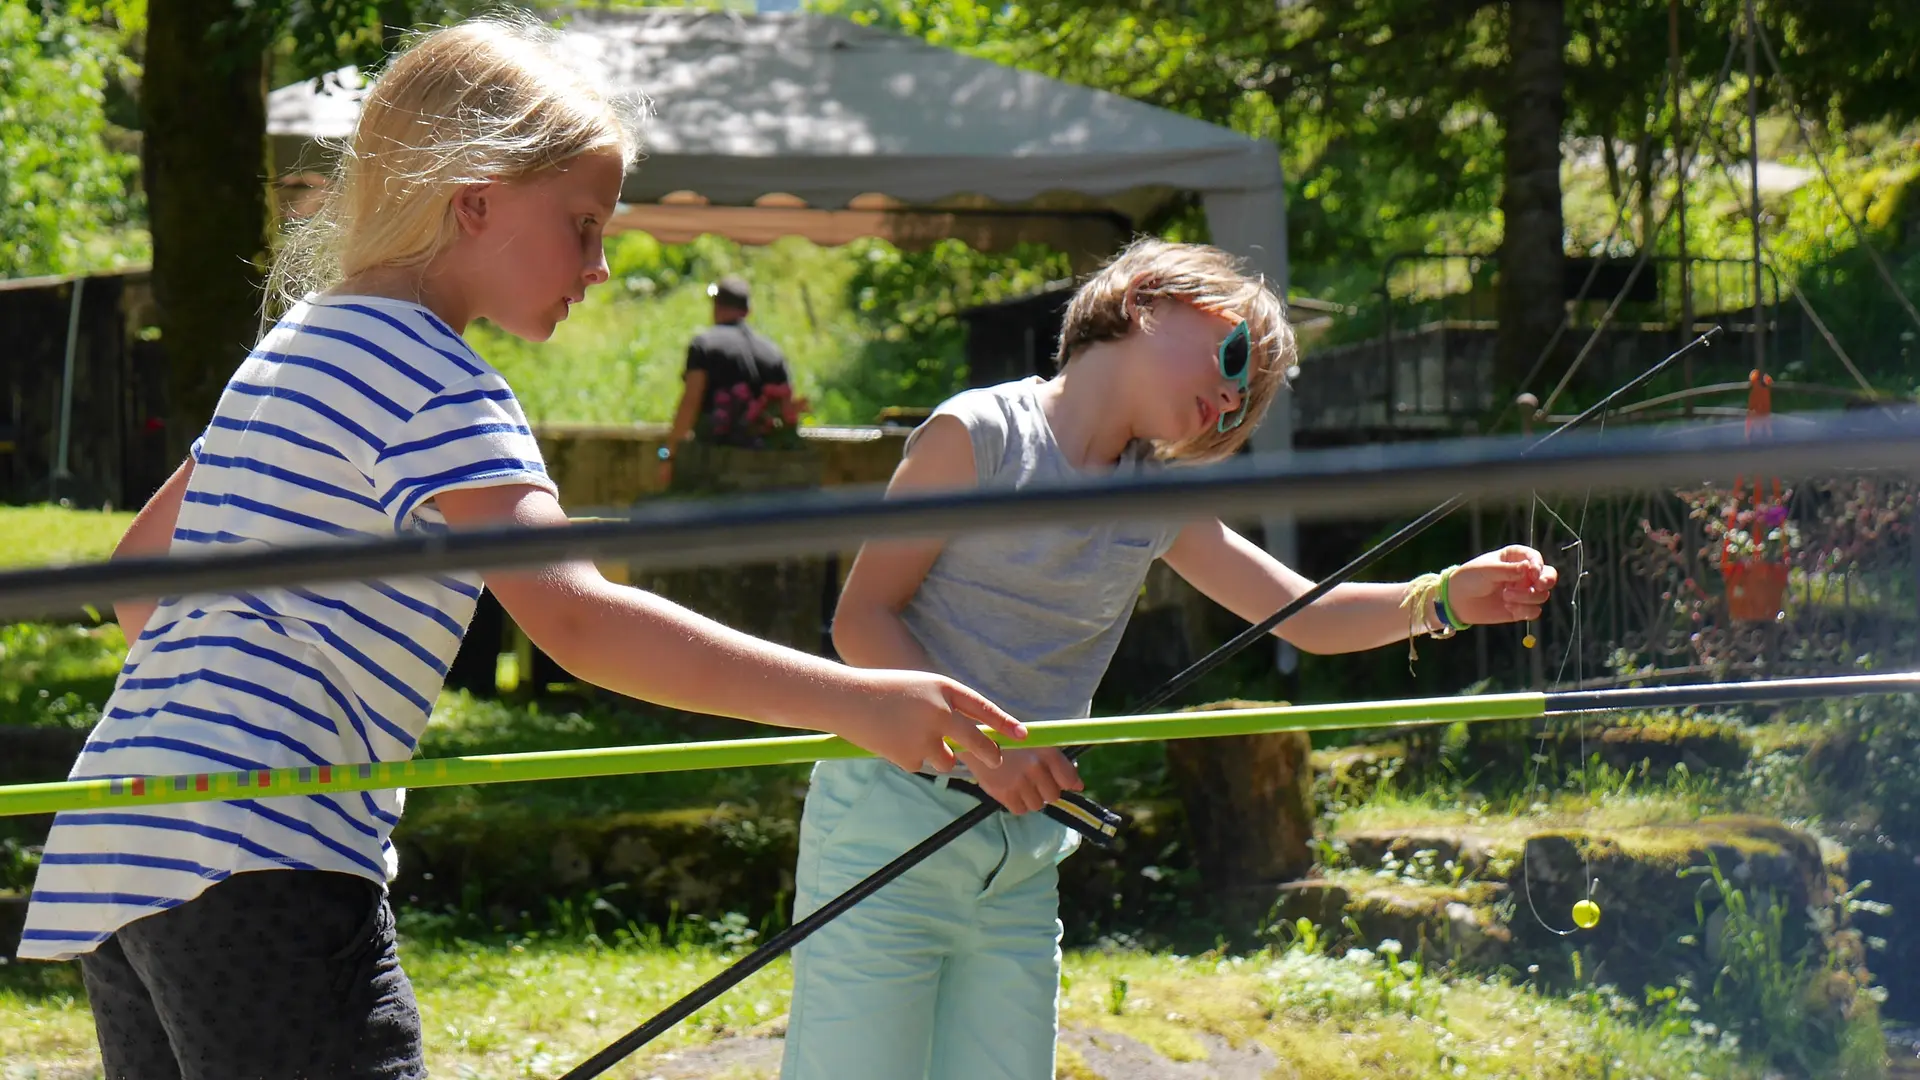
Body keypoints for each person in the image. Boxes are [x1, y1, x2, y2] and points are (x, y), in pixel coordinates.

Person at [16, 17, 1025, 1080]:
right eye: (582, 225)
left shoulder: (296, 348)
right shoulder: (439, 381)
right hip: (261, 856)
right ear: (476, 199)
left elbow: (139, 586)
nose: (599, 266)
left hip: (119, 837)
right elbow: (577, 621)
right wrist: (858, 701)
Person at [780, 238, 1561, 1080]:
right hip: (887, 826)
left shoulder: (1156, 496)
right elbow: (862, 620)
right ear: (1147, 298)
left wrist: (1443, 598)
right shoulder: (977, 436)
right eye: (1234, 359)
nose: (1229, 400)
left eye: (1242, 405)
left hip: (1019, 859)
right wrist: (989, 749)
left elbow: (1307, 617)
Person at [657, 274, 793, 487]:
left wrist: (668, 455)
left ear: (716, 307)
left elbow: (690, 403)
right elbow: (787, 413)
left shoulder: (704, 345)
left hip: (714, 465)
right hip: (763, 469)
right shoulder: (773, 352)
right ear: (747, 310)